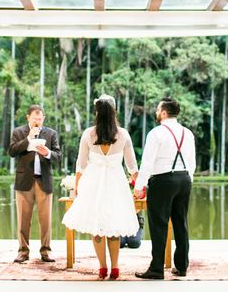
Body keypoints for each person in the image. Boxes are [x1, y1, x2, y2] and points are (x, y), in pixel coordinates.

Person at [62, 94, 139, 280]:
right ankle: (115, 269)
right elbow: (132, 167)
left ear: (96, 112)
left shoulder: (88, 134)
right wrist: (140, 186)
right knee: (113, 226)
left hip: (93, 184)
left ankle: (102, 268)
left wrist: (77, 186)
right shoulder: (123, 135)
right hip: (116, 185)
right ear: (114, 112)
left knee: (97, 227)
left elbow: (80, 164)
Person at [134, 97, 196, 280]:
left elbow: (147, 163)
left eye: (157, 109)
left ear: (163, 112)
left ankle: (156, 269)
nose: (156, 112)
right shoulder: (188, 133)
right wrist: (188, 179)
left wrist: (139, 187)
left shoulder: (156, 133)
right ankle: (182, 266)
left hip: (162, 181)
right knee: (181, 222)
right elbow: (192, 161)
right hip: (184, 179)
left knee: (159, 224)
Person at [8, 105, 61, 263]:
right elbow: (12, 151)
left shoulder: (51, 133)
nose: (37, 121)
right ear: (28, 118)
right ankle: (23, 251)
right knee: (23, 219)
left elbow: (58, 156)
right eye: (34, 118)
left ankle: (46, 251)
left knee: (45, 219)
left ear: (43, 118)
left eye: (40, 118)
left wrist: (48, 153)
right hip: (24, 181)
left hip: (44, 180)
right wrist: (28, 139)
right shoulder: (18, 132)